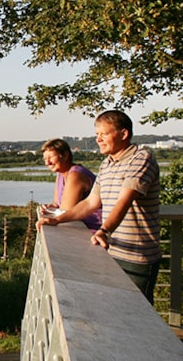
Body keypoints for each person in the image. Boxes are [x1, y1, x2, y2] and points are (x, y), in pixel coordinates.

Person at [37, 110, 161, 303]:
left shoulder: (141, 158)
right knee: (116, 306)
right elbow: (90, 203)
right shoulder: (107, 164)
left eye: (104, 134)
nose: (98, 139)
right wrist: (57, 219)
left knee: (138, 313)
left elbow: (125, 200)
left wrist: (104, 230)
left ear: (123, 134)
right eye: (97, 135)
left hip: (137, 253)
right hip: (112, 248)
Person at [38, 138, 103, 231]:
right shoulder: (61, 173)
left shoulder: (76, 175)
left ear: (65, 155)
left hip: (93, 228)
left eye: (51, 157)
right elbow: (57, 204)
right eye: (45, 159)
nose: (47, 162)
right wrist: (49, 208)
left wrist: (54, 214)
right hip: (79, 226)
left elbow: (66, 210)